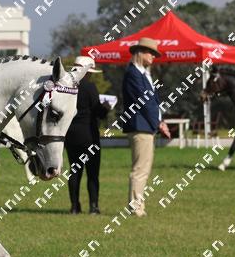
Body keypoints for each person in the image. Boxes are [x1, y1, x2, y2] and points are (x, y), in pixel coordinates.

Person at [121, 37, 171, 217]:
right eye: (150, 53)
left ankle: (138, 205)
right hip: (140, 126)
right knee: (140, 169)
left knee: (144, 168)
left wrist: (160, 121)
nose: (153, 56)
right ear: (140, 53)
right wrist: (158, 123)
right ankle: (135, 207)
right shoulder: (133, 73)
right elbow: (145, 102)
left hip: (146, 126)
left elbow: (153, 102)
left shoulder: (143, 74)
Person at [65, 57, 109, 214]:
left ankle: (74, 207)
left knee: (74, 171)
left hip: (70, 135)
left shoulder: (65, 86)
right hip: (89, 135)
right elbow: (99, 112)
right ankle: (93, 207)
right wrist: (106, 107)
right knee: (92, 173)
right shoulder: (89, 87)